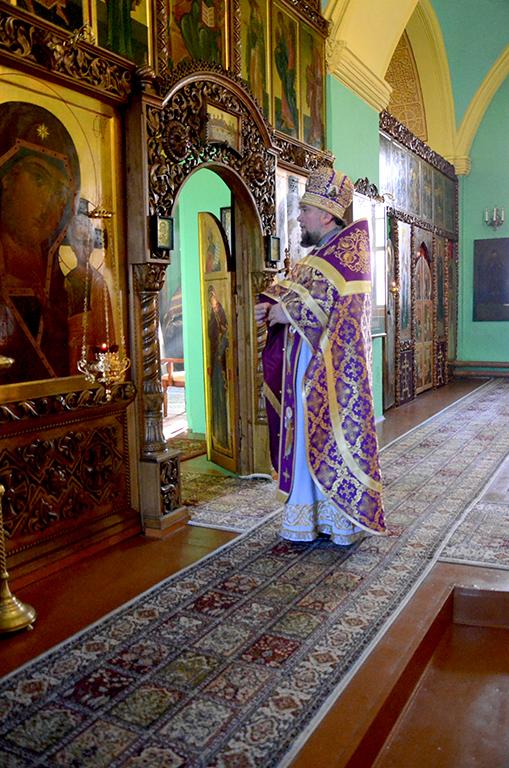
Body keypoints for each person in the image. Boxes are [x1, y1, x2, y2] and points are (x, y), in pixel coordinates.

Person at [255, 166, 385, 545]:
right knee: (303, 440)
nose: (299, 218)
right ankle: (309, 519)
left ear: (326, 216)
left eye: (305, 211)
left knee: (326, 438)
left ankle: (337, 521)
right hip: (305, 369)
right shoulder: (319, 256)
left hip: (327, 372)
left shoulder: (347, 254)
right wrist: (272, 307)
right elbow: (298, 295)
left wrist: (287, 312)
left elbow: (333, 309)